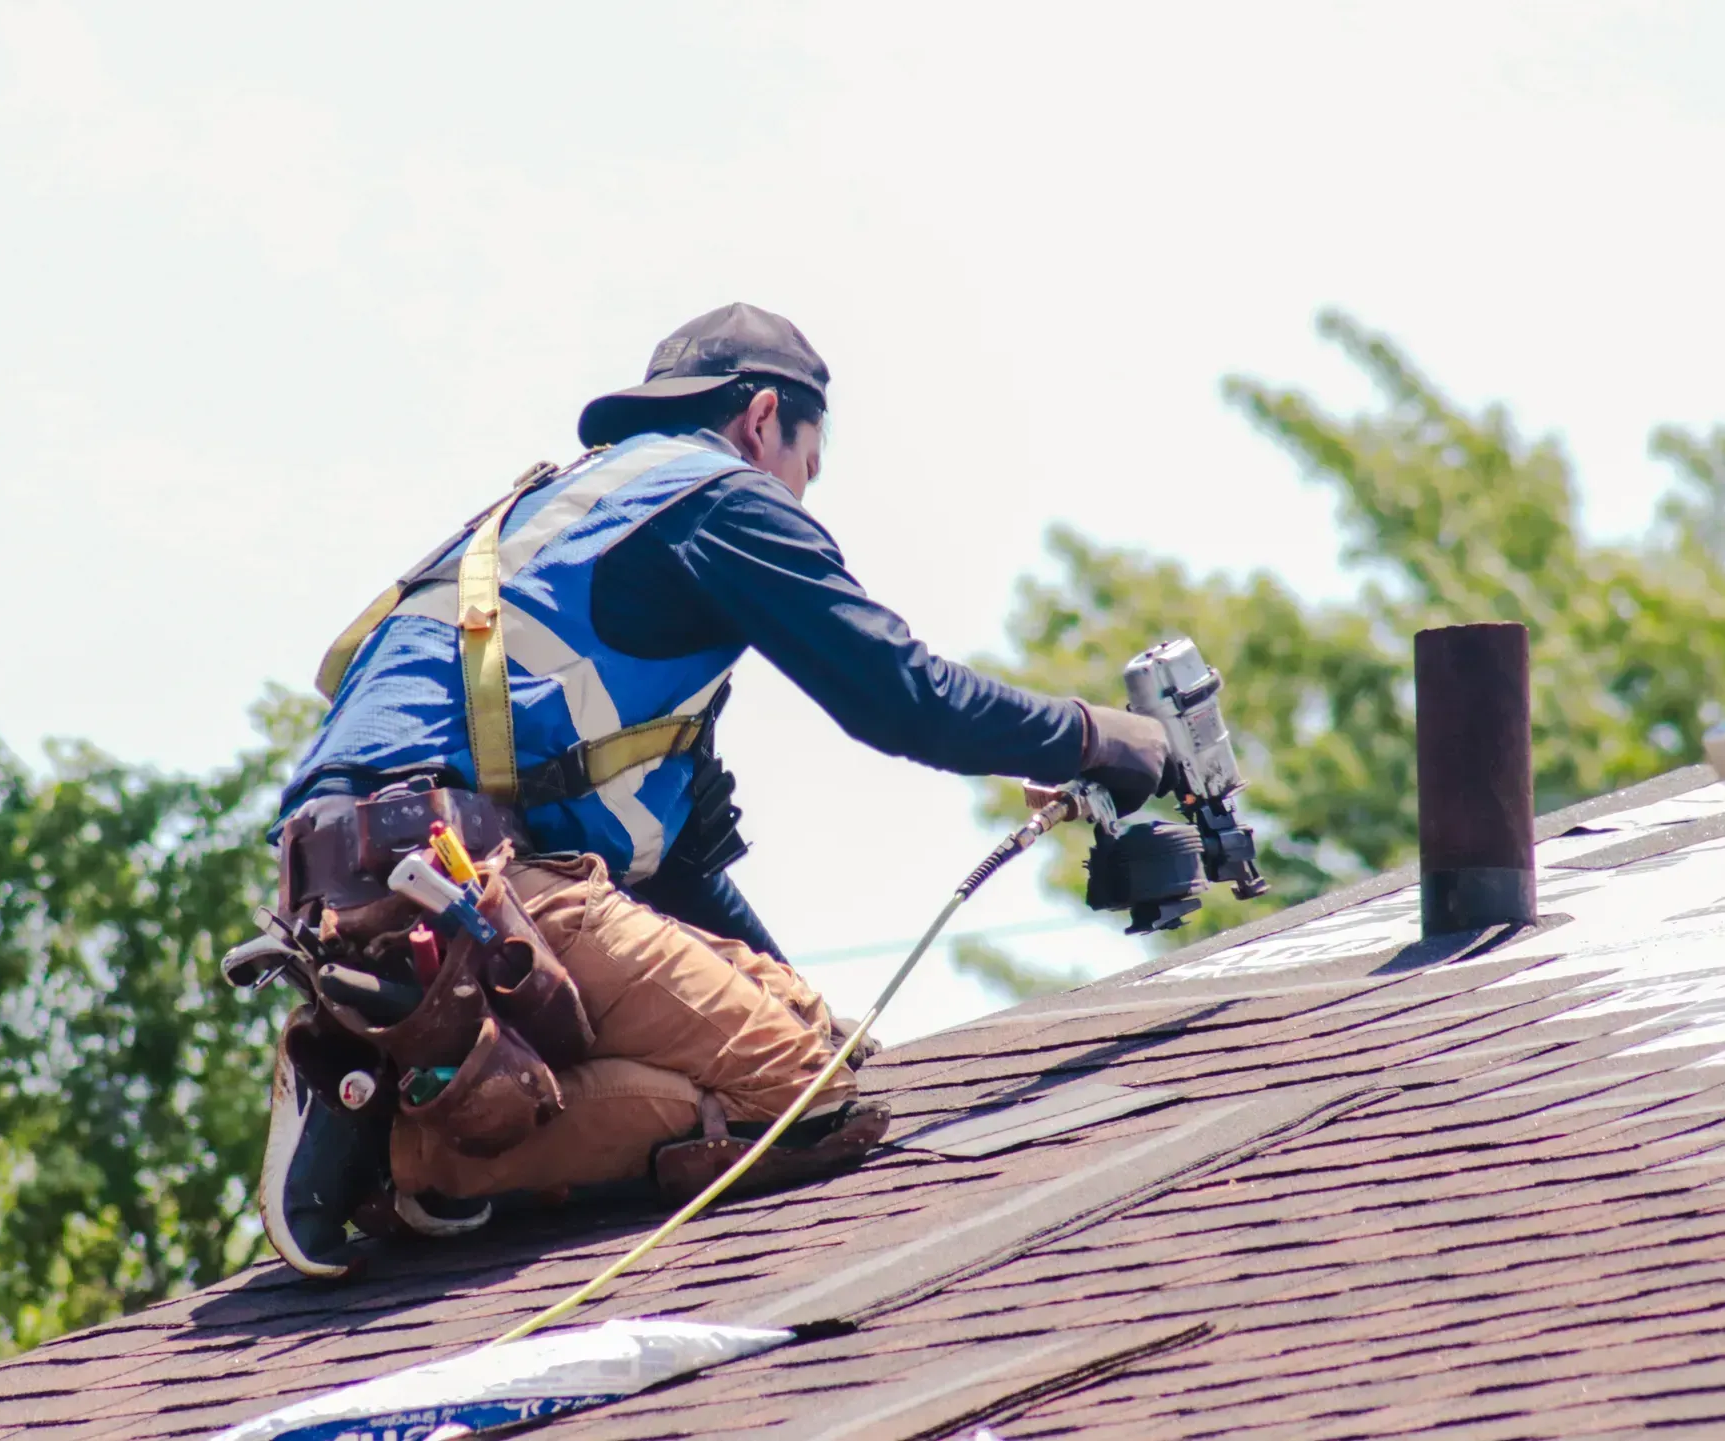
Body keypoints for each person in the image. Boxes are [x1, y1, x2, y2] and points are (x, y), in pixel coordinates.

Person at [258, 303, 1173, 1277]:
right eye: (807, 467)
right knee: (797, 1097)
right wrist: (1096, 739)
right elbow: (905, 700)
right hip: (454, 882)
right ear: (762, 418)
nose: (802, 496)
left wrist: (813, 1017)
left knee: (821, 1046)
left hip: (369, 879)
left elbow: (680, 862)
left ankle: (433, 1079)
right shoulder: (718, 498)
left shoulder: (565, 522)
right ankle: (399, 1138)